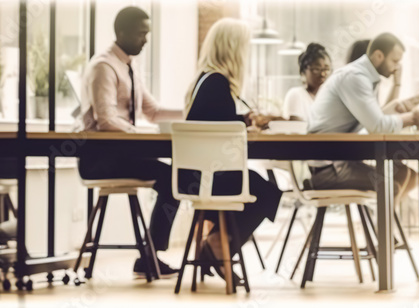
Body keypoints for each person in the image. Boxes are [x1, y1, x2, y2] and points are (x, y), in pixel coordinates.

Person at [76, 6, 183, 279]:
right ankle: (149, 257)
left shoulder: (129, 65)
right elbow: (106, 120)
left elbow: (153, 112)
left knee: (175, 179)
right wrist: (140, 135)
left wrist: (192, 112)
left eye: (147, 33)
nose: (146, 40)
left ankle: (149, 256)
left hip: (121, 154)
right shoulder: (104, 66)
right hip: (99, 159)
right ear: (121, 33)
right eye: (140, 34)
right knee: (174, 179)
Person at [182, 18, 283, 281]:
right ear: (234, 49)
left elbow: (214, 122)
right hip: (211, 177)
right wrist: (246, 123)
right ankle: (216, 246)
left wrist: (243, 120)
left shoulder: (205, 80)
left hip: (196, 175)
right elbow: (221, 129)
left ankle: (217, 245)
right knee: (268, 193)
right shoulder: (218, 83)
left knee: (260, 188)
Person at [306, 33, 419, 204]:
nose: (397, 67)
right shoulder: (355, 78)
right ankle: (384, 230)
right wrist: (412, 118)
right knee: (391, 186)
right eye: (394, 61)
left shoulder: (367, 78)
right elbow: (377, 126)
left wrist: (402, 108)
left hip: (342, 162)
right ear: (379, 56)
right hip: (329, 169)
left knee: (401, 174)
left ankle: (385, 228)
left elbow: (376, 118)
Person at [346, 39, 419, 115]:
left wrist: (397, 83)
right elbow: (377, 122)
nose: (397, 66)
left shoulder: (371, 83)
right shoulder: (355, 85)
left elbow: (380, 115)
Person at [283, 43, 332, 122]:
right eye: (316, 69)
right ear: (303, 71)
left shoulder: (330, 98)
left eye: (326, 69)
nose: (323, 74)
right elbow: (297, 127)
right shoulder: (296, 94)